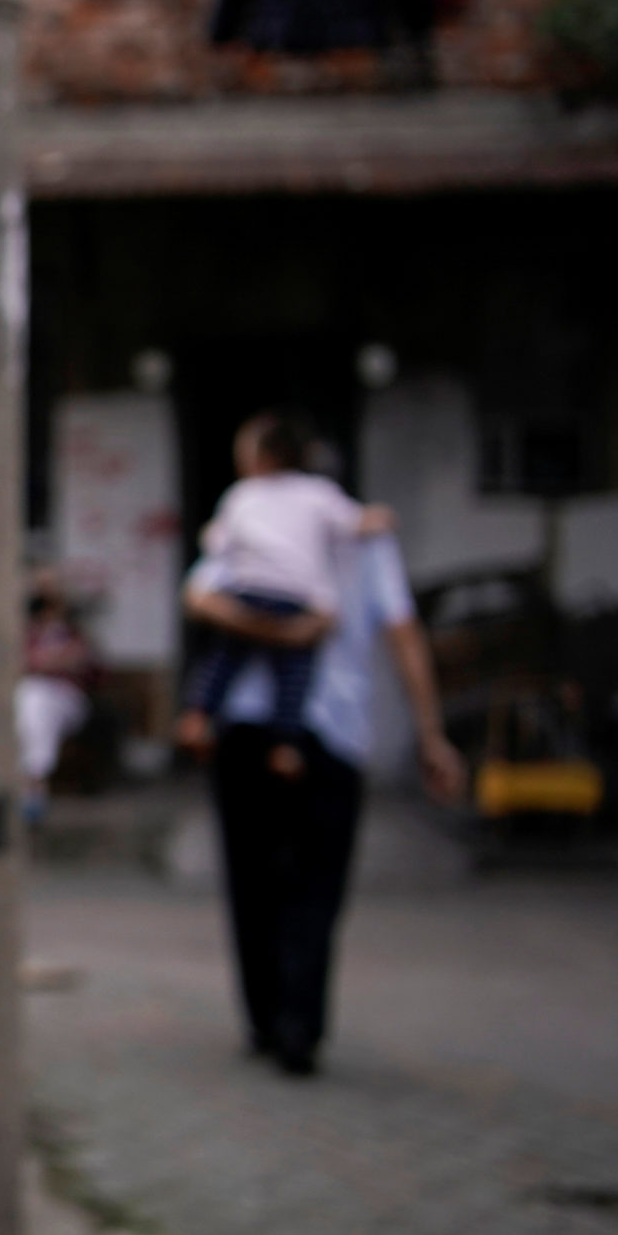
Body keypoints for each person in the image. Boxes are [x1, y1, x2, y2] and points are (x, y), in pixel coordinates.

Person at [185, 502, 465, 1079]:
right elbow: (403, 632)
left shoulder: (251, 519)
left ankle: (267, 1019)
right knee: (314, 887)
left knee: (253, 879)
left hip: (252, 728)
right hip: (333, 730)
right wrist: (430, 733)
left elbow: (203, 599)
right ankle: (298, 1028)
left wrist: (269, 630)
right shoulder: (363, 540)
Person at [175, 411, 393, 779]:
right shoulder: (318, 494)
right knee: (294, 675)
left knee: (223, 660)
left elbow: (215, 543)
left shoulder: (241, 495)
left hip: (246, 592)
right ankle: (286, 746)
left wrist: (212, 534)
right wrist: (380, 518)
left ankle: (197, 716)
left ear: (262, 458)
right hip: (295, 600)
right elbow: (356, 522)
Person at [16, 585, 96, 826]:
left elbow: (88, 665)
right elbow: (28, 663)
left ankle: (33, 785)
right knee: (31, 698)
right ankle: (34, 782)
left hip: (69, 701)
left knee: (35, 698)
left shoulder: (74, 634)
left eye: (53, 606)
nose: (49, 612)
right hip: (33, 699)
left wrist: (53, 661)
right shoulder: (30, 635)